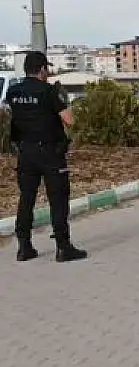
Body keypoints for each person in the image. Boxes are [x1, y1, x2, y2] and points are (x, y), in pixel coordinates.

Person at [5, 51, 87, 262]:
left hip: (25, 152)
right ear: (42, 69)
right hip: (50, 152)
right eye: (47, 68)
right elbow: (69, 120)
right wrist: (63, 99)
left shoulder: (13, 92)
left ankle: (24, 247)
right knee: (58, 199)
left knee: (26, 199)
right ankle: (63, 247)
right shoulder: (49, 91)